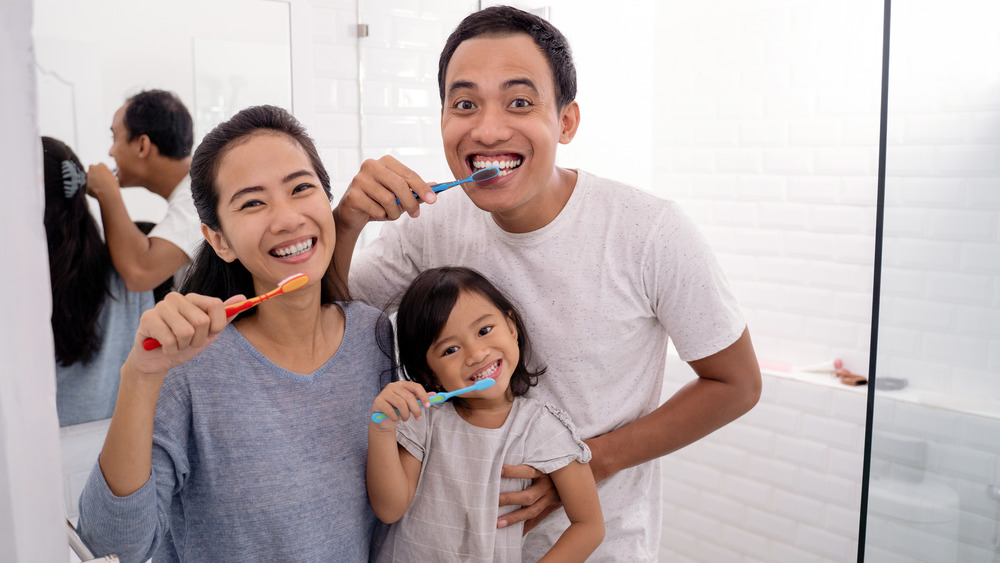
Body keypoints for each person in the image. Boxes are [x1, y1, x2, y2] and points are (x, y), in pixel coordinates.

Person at [331, 5, 763, 561]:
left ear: (565, 121)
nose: (487, 128)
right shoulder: (430, 223)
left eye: (519, 102)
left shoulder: (650, 233)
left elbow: (737, 385)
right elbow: (329, 332)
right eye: (464, 104)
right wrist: (345, 224)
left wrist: (583, 463)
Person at [77, 105, 393, 562]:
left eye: (301, 189)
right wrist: (141, 375)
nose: (287, 218)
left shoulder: (372, 334)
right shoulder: (188, 366)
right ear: (219, 240)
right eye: (252, 202)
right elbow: (111, 542)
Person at [368, 266, 603, 562]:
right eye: (451, 349)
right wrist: (381, 431)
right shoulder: (423, 421)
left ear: (512, 327)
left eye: (484, 331)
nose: (477, 354)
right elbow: (389, 510)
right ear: (431, 374)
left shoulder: (542, 427)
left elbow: (589, 525)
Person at [41, 136, 155, 427]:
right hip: (118, 448)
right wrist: (107, 194)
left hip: (39, 457)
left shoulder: (22, 290)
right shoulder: (129, 275)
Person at [86, 89, 203, 292]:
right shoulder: (194, 190)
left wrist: (107, 192)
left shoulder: (197, 197)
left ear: (142, 145)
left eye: (115, 138)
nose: (110, 152)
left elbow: (140, 273)